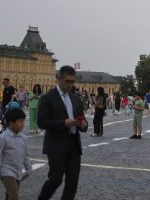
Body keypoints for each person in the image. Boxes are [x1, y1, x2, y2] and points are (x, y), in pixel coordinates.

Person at [37, 65, 89, 200]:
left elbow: (81, 119)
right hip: (56, 145)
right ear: (59, 79)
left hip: (74, 145)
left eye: (72, 81)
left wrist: (83, 125)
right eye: (67, 81)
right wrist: (63, 123)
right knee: (55, 180)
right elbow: (41, 122)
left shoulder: (76, 99)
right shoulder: (47, 98)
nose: (70, 85)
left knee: (72, 183)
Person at [0, 108, 32, 200]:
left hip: (18, 171)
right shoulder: (3, 138)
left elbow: (26, 155)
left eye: (23, 121)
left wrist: (29, 168)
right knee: (14, 195)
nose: (23, 124)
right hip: (6, 171)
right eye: (20, 121)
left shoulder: (23, 138)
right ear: (11, 122)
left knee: (10, 195)